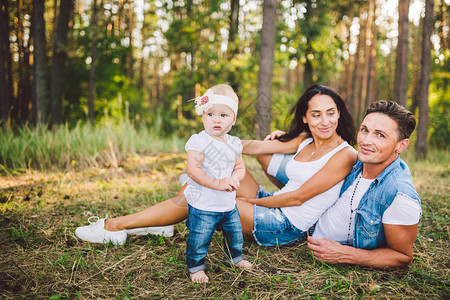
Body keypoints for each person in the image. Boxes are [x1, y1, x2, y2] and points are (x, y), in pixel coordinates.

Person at [75, 85, 357, 255]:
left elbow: (296, 198)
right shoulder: (304, 139)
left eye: (330, 112)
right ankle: (159, 223)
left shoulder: (345, 155)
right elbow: (253, 147)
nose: (324, 121)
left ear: (339, 113)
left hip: (284, 225)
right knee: (210, 180)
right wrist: (215, 141)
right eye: (316, 114)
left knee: (209, 195)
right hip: (270, 202)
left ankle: (115, 226)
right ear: (306, 118)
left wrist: (247, 200)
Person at [265, 101, 421, 267]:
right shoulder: (354, 160)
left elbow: (402, 256)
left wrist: (347, 255)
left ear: (401, 145)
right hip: (303, 218)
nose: (366, 141)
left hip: (301, 235)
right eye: (365, 130)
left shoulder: (400, 197)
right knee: (262, 154)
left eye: (380, 135)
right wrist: (291, 139)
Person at [183, 84, 252, 282]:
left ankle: (234, 257)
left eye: (223, 115)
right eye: (211, 114)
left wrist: (235, 179)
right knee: (199, 237)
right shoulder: (199, 141)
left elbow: (240, 167)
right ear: (203, 115)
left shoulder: (233, 143)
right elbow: (193, 170)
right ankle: (196, 266)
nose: (216, 119)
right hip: (204, 204)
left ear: (233, 120)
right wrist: (218, 183)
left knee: (235, 233)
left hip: (228, 204)